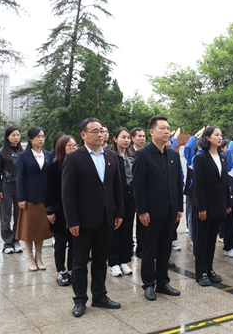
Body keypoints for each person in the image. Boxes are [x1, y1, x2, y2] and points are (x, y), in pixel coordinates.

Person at [62, 118, 124, 318]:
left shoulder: (111, 156)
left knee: (100, 260)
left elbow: (117, 188)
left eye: (101, 130)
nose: (100, 134)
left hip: (106, 218)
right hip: (83, 221)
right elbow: (67, 193)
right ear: (83, 135)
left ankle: (99, 295)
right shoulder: (74, 158)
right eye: (94, 131)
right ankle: (80, 299)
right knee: (79, 262)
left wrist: (119, 213)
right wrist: (72, 220)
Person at [132, 116, 184, 301]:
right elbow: (138, 186)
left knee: (165, 247)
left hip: (170, 211)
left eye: (168, 128)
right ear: (152, 132)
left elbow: (177, 183)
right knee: (149, 249)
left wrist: (179, 207)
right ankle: (148, 284)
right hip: (151, 212)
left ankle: (163, 281)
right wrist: (142, 211)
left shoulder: (173, 155)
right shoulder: (143, 154)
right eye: (162, 128)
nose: (167, 131)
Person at [193, 126, 230, 286]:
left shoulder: (222, 157)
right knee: (202, 240)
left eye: (221, 134)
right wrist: (201, 207)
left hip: (218, 205)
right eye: (216, 135)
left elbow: (225, 182)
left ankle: (209, 269)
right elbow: (198, 185)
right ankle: (201, 272)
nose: (220, 137)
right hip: (205, 206)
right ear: (207, 138)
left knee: (211, 240)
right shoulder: (201, 158)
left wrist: (227, 203)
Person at [15, 127, 53, 271]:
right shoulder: (23, 156)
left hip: (44, 198)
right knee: (29, 229)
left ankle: (39, 256)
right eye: (38, 136)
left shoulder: (48, 155)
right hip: (29, 198)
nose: (41, 139)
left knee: (40, 229)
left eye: (43, 136)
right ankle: (30, 258)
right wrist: (21, 198)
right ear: (30, 139)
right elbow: (19, 179)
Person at [44, 135, 78, 286]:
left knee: (74, 242)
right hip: (59, 211)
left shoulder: (78, 164)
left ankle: (71, 269)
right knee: (60, 243)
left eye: (75, 145)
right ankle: (61, 271)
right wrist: (49, 210)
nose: (73, 148)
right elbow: (48, 191)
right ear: (61, 148)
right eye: (69, 145)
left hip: (75, 210)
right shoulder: (54, 166)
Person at [108, 127, 136, 277]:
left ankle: (125, 260)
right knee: (115, 231)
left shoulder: (132, 157)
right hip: (115, 198)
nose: (126, 140)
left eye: (128, 138)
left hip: (130, 198)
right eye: (123, 137)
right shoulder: (111, 156)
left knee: (127, 230)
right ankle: (114, 263)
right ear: (115, 138)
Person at [0, 126, 24, 254]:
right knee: (5, 217)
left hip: (20, 187)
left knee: (19, 216)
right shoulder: (1, 152)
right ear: (7, 137)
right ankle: (7, 243)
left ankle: (16, 240)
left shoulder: (23, 153)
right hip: (6, 187)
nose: (16, 137)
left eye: (18, 135)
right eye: (13, 135)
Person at [130, 126, 146, 258]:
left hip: (144, 195)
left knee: (143, 224)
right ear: (133, 138)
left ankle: (141, 247)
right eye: (139, 136)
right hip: (130, 193)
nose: (142, 139)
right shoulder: (129, 152)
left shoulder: (146, 152)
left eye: (143, 136)